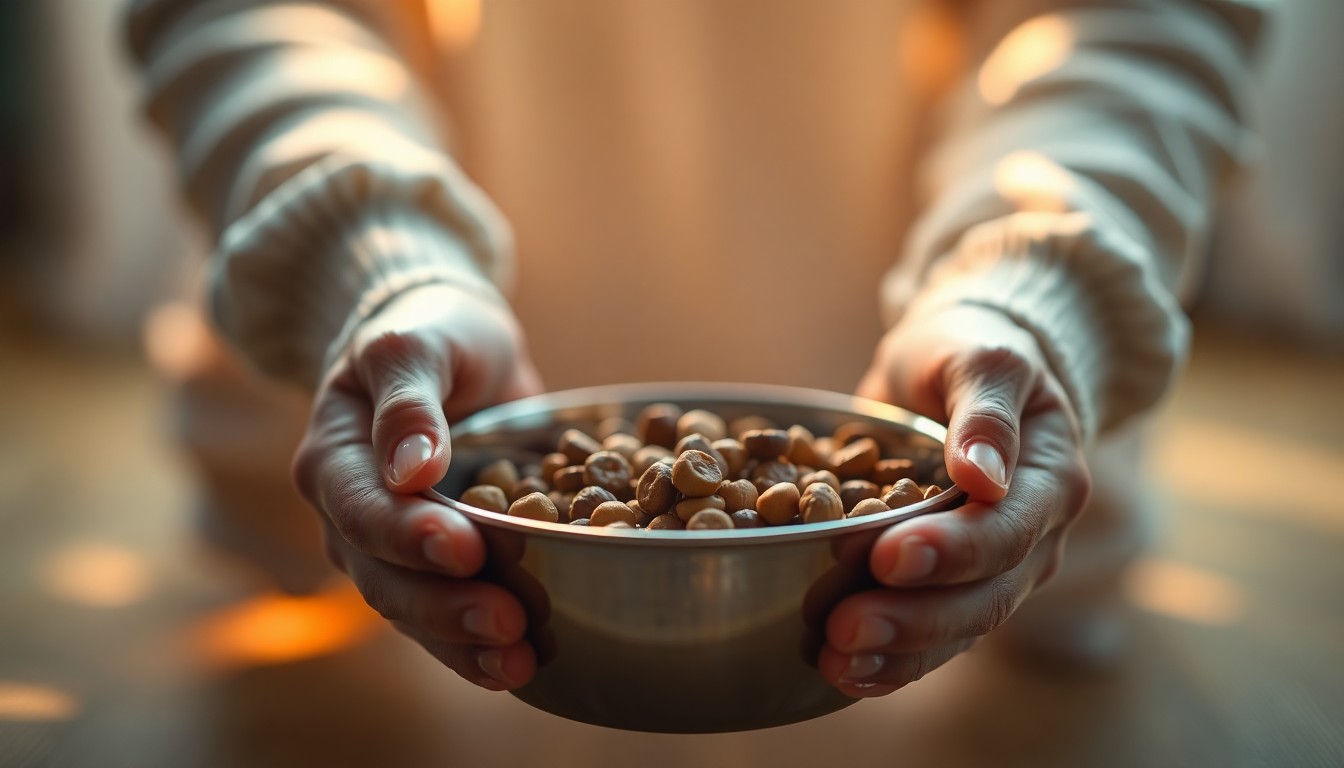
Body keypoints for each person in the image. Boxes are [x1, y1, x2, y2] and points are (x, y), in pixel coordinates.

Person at [124, 0, 1267, 696]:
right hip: (376, 571)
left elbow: (1134, 19)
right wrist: (368, 258)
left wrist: (1030, 295)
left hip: (984, 586)